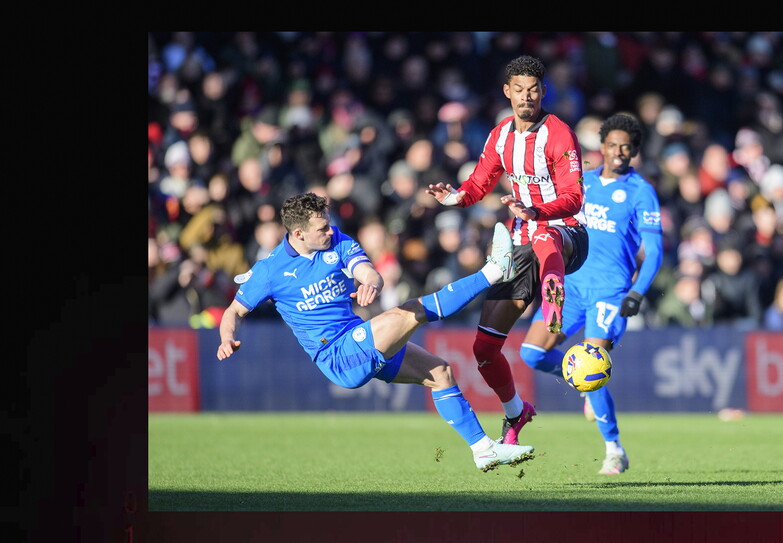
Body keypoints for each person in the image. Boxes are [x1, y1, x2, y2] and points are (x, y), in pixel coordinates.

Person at [216, 193, 534, 471]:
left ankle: (484, 450)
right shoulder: (269, 271)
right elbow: (233, 312)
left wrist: (370, 281)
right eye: (321, 229)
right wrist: (226, 337)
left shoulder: (336, 240)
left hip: (359, 338)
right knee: (410, 312)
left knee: (441, 372)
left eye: (328, 224)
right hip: (337, 354)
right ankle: (494, 271)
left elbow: (368, 271)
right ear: (298, 234)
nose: (330, 230)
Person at [426, 55, 589, 446]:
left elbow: (574, 197)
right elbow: (478, 184)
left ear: (543, 93)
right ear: (507, 92)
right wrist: (453, 198)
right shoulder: (500, 136)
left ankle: (553, 303)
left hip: (566, 235)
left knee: (543, 234)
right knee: (484, 349)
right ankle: (516, 413)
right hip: (523, 244)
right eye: (519, 90)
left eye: (533, 90)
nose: (526, 97)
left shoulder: (560, 134)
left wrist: (536, 211)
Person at [516, 114, 663, 474]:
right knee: (531, 354)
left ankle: (614, 449)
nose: (618, 152)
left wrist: (638, 292)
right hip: (571, 287)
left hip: (610, 293)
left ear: (634, 152)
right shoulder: (585, 184)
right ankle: (582, 386)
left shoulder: (640, 191)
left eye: (626, 147)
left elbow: (655, 250)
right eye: (612, 145)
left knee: (591, 362)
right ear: (601, 147)